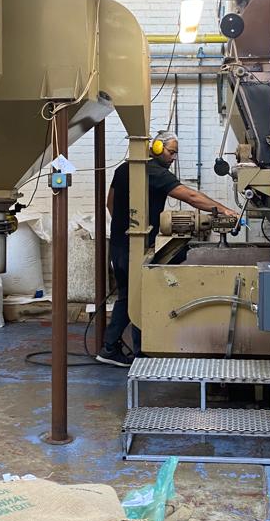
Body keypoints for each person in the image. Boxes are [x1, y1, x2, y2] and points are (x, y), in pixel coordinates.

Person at [96, 130, 237, 367]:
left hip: (120, 245)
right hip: (135, 248)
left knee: (129, 295)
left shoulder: (123, 169)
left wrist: (128, 226)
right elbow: (190, 196)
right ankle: (142, 353)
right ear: (157, 148)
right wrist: (224, 210)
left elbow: (110, 203)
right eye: (171, 152)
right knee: (143, 295)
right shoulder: (153, 172)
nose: (173, 158)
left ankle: (110, 348)